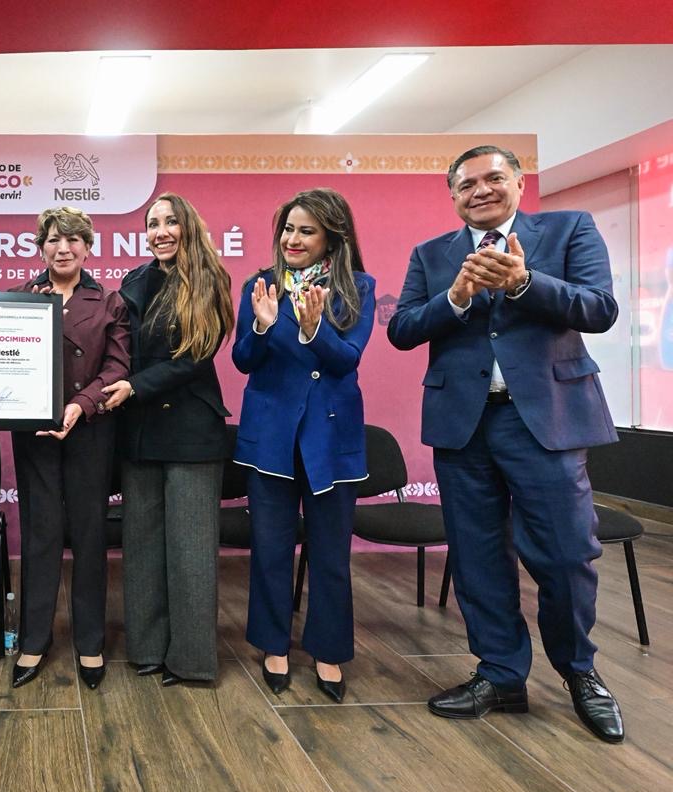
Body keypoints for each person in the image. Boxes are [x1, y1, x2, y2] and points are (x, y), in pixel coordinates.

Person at [388, 145, 625, 742]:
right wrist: (455, 298)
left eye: (493, 178)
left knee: (566, 555)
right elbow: (402, 329)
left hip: (544, 421)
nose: (481, 191)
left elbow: (599, 308)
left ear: (518, 183)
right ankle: (500, 674)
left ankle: (580, 671)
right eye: (466, 185)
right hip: (463, 425)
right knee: (477, 556)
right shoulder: (432, 254)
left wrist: (524, 284)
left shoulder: (569, 229)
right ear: (453, 197)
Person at [232, 188, 375, 703]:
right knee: (270, 549)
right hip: (271, 435)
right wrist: (262, 326)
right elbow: (243, 360)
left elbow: (347, 360)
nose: (292, 239)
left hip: (329, 436)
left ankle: (328, 650)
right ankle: (273, 645)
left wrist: (314, 331)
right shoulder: (261, 285)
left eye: (306, 231)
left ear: (332, 238)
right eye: (288, 229)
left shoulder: (358, 286)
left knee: (331, 554)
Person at [102, 193, 235, 685]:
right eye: (152, 224)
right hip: (138, 432)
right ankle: (147, 648)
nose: (160, 232)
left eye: (170, 222)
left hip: (191, 433)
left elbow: (195, 357)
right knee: (141, 546)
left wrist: (135, 386)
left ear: (188, 227)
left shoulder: (210, 279)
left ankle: (193, 661)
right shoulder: (133, 281)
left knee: (191, 550)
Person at [8, 207, 130, 691]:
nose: (63, 248)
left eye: (73, 239)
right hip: (34, 432)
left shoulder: (110, 301)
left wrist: (80, 405)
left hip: (90, 430)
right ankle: (34, 639)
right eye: (54, 240)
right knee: (40, 533)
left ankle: (90, 641)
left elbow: (117, 368)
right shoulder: (20, 297)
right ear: (41, 247)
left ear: (88, 247)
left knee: (89, 535)